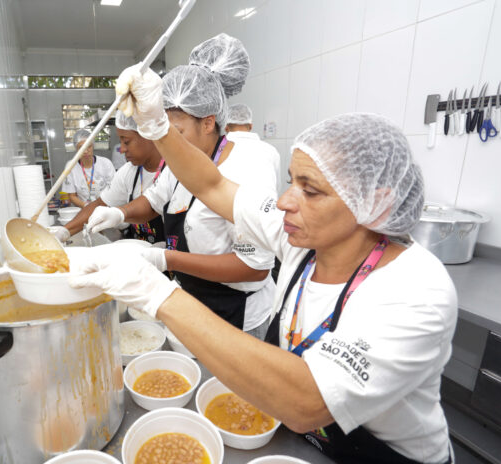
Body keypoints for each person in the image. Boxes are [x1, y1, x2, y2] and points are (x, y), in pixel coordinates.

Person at [71, 60, 457, 464]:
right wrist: (158, 128)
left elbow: (308, 401)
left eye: (311, 191)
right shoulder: (303, 240)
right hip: (301, 443)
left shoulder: (417, 290)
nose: (286, 200)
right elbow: (212, 183)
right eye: (292, 181)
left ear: (375, 203)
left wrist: (157, 290)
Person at [85, 34, 276, 339]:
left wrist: (166, 258)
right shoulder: (179, 163)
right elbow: (152, 201)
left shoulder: (246, 167)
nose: (167, 145)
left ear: (208, 122)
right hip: (192, 301)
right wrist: (119, 215)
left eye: (175, 132)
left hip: (238, 315)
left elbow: (254, 267)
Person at [51, 111, 166, 244]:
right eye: (120, 141)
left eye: (126, 142)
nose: (121, 149)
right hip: (139, 249)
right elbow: (100, 203)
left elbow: (152, 206)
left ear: (148, 136)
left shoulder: (173, 172)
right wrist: (64, 232)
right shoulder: (128, 172)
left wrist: (120, 214)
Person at [226, 103, 281, 195]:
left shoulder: (218, 149)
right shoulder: (271, 151)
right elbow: (276, 187)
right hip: (263, 206)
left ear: (226, 127)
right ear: (251, 126)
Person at [62, 129, 115, 208]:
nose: (86, 151)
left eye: (89, 146)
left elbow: (114, 189)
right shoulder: (71, 166)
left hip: (105, 208)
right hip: (83, 209)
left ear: (93, 146)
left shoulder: (105, 163)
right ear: (76, 149)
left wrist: (102, 206)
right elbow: (72, 196)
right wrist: (87, 206)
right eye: (81, 147)